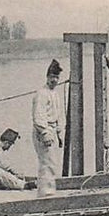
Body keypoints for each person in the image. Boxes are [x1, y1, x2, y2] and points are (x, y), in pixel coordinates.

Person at [31, 59, 66, 196]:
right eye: (52, 77)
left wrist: (59, 133)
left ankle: (48, 191)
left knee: (51, 163)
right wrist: (45, 133)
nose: (55, 80)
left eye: (57, 77)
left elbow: (58, 116)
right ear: (47, 77)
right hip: (43, 130)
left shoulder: (55, 94)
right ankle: (46, 194)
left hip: (52, 129)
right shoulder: (42, 93)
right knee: (47, 163)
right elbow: (38, 116)